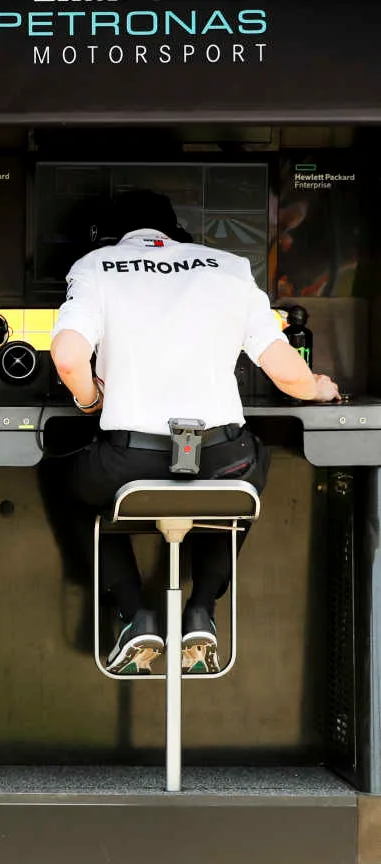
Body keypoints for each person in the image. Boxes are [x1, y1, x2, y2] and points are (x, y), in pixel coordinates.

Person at [52, 189, 340, 675]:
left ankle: (134, 613)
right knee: (246, 479)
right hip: (222, 458)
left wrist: (90, 400)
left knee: (73, 485)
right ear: (175, 231)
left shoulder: (97, 266)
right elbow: (289, 376)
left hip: (129, 465)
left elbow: (66, 357)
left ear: (116, 236)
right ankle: (201, 609)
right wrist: (319, 388)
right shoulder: (229, 267)